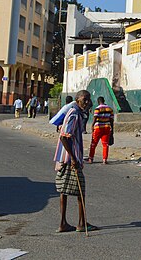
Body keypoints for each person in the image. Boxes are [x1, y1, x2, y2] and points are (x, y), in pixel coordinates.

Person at [53, 90, 98, 233]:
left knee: (64, 191)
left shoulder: (75, 112)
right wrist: (73, 157)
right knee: (80, 190)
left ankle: (63, 223)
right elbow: (64, 137)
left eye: (88, 99)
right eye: (84, 99)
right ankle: (81, 223)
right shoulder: (74, 114)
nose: (87, 102)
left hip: (64, 158)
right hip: (69, 159)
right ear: (78, 99)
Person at [87, 96, 114, 164]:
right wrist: (112, 129)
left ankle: (91, 158)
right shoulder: (109, 109)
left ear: (98, 101)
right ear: (104, 100)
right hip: (107, 127)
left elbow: (95, 118)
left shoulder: (97, 109)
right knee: (105, 144)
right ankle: (104, 159)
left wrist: (92, 125)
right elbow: (111, 120)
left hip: (98, 128)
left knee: (93, 143)